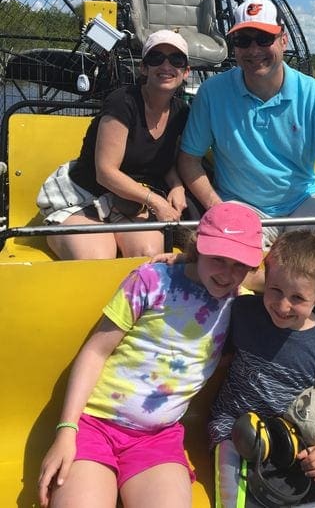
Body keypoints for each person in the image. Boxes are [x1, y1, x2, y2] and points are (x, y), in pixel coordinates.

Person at [37, 202, 264, 508]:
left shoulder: (241, 304)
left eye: (239, 265)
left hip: (158, 438)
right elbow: (95, 352)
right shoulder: (152, 281)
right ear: (198, 246)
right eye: (218, 259)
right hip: (94, 425)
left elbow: (286, 284)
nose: (227, 274)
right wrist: (66, 430)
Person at [178, 0, 315, 248]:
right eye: (243, 41)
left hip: (304, 201)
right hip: (241, 206)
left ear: (283, 40)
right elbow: (189, 160)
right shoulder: (211, 93)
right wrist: (217, 207)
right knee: (229, 260)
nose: (254, 50)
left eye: (264, 39)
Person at [209, 230, 315, 507]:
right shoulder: (242, 311)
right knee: (233, 499)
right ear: (265, 279)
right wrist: (179, 262)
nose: (283, 306)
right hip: (231, 427)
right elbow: (209, 278)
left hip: (290, 435)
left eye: (298, 298)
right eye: (275, 290)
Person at [37, 29, 191, 259]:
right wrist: (156, 202)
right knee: (97, 256)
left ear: (186, 72)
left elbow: (164, 159)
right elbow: (105, 172)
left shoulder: (181, 112)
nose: (166, 65)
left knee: (147, 253)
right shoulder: (122, 102)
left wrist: (177, 185)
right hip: (86, 195)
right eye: (156, 58)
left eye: (176, 59)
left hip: (130, 201)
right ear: (144, 68)